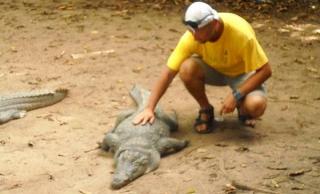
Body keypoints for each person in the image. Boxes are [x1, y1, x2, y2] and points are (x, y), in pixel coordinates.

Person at [133, 1, 272, 133]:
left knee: (255, 105)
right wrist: (149, 108)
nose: (194, 36)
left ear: (215, 24)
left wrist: (236, 95)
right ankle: (206, 109)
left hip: (243, 73)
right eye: (191, 30)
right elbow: (168, 73)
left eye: (198, 31)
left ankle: (243, 107)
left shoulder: (241, 35)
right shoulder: (191, 37)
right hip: (215, 70)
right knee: (186, 68)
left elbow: (266, 71)